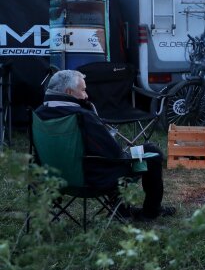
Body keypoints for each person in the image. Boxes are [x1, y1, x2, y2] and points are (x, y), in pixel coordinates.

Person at [35, 69, 175, 221]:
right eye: (83, 91)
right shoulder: (82, 117)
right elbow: (114, 154)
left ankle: (122, 210)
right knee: (152, 152)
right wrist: (124, 151)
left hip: (55, 179)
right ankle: (150, 212)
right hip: (92, 180)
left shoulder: (39, 114)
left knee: (104, 158)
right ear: (69, 92)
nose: (86, 95)